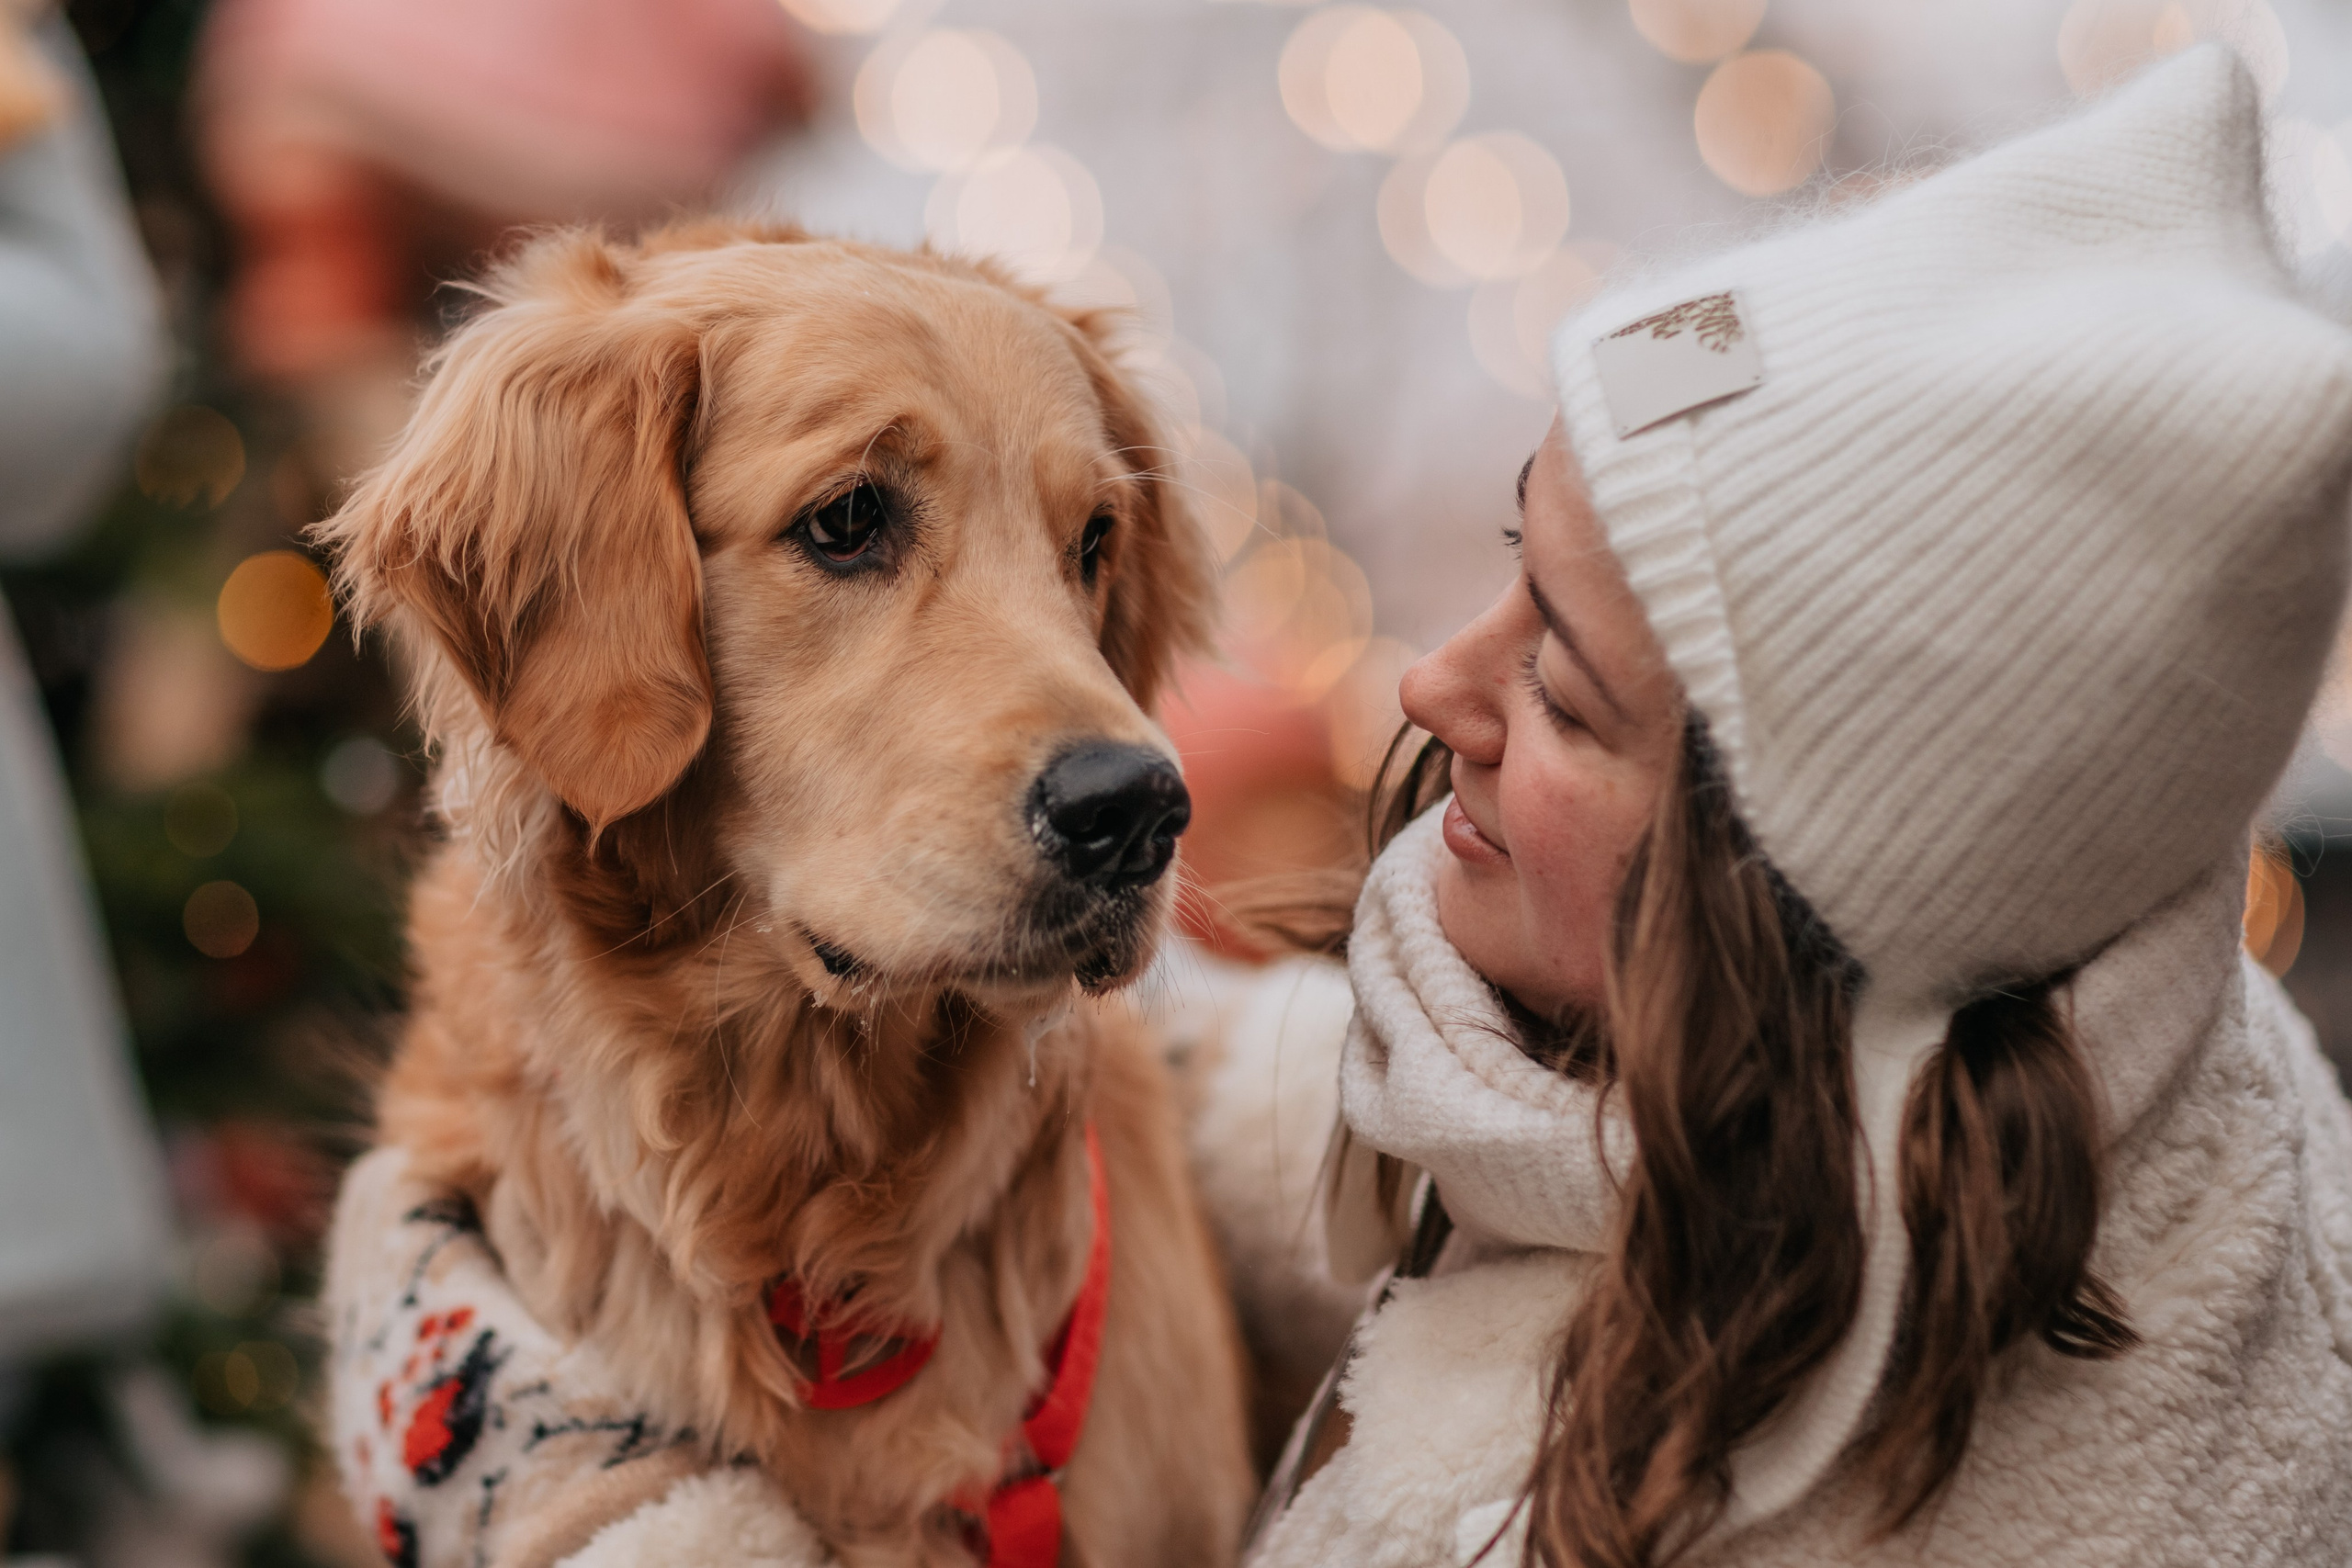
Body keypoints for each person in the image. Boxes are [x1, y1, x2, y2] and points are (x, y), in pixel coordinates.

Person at [325, 43, 2352, 1566]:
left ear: (1797, 877)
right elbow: (1233, 1079)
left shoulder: (1998, 1452)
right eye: (854, 523)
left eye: (1556, 684)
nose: (1424, 685)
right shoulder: (1505, 1075)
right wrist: (434, 1304)